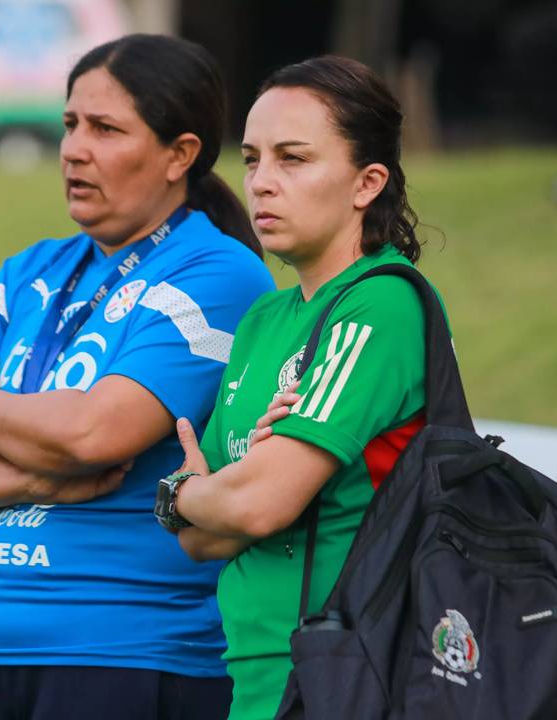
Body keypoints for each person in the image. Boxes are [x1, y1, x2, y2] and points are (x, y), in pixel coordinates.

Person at [0, 34, 274, 720]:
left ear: (179, 154)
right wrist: (36, 480)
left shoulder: (217, 271)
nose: (73, 148)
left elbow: (98, 433)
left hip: (126, 653)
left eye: (105, 128)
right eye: (70, 124)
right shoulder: (28, 270)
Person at [160, 55, 435, 720]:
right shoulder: (265, 319)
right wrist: (210, 499)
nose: (262, 184)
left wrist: (186, 492)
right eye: (252, 159)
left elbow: (255, 508)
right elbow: (201, 541)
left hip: (343, 677)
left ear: (367, 182)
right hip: (256, 676)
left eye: (293, 159)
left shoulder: (380, 305)